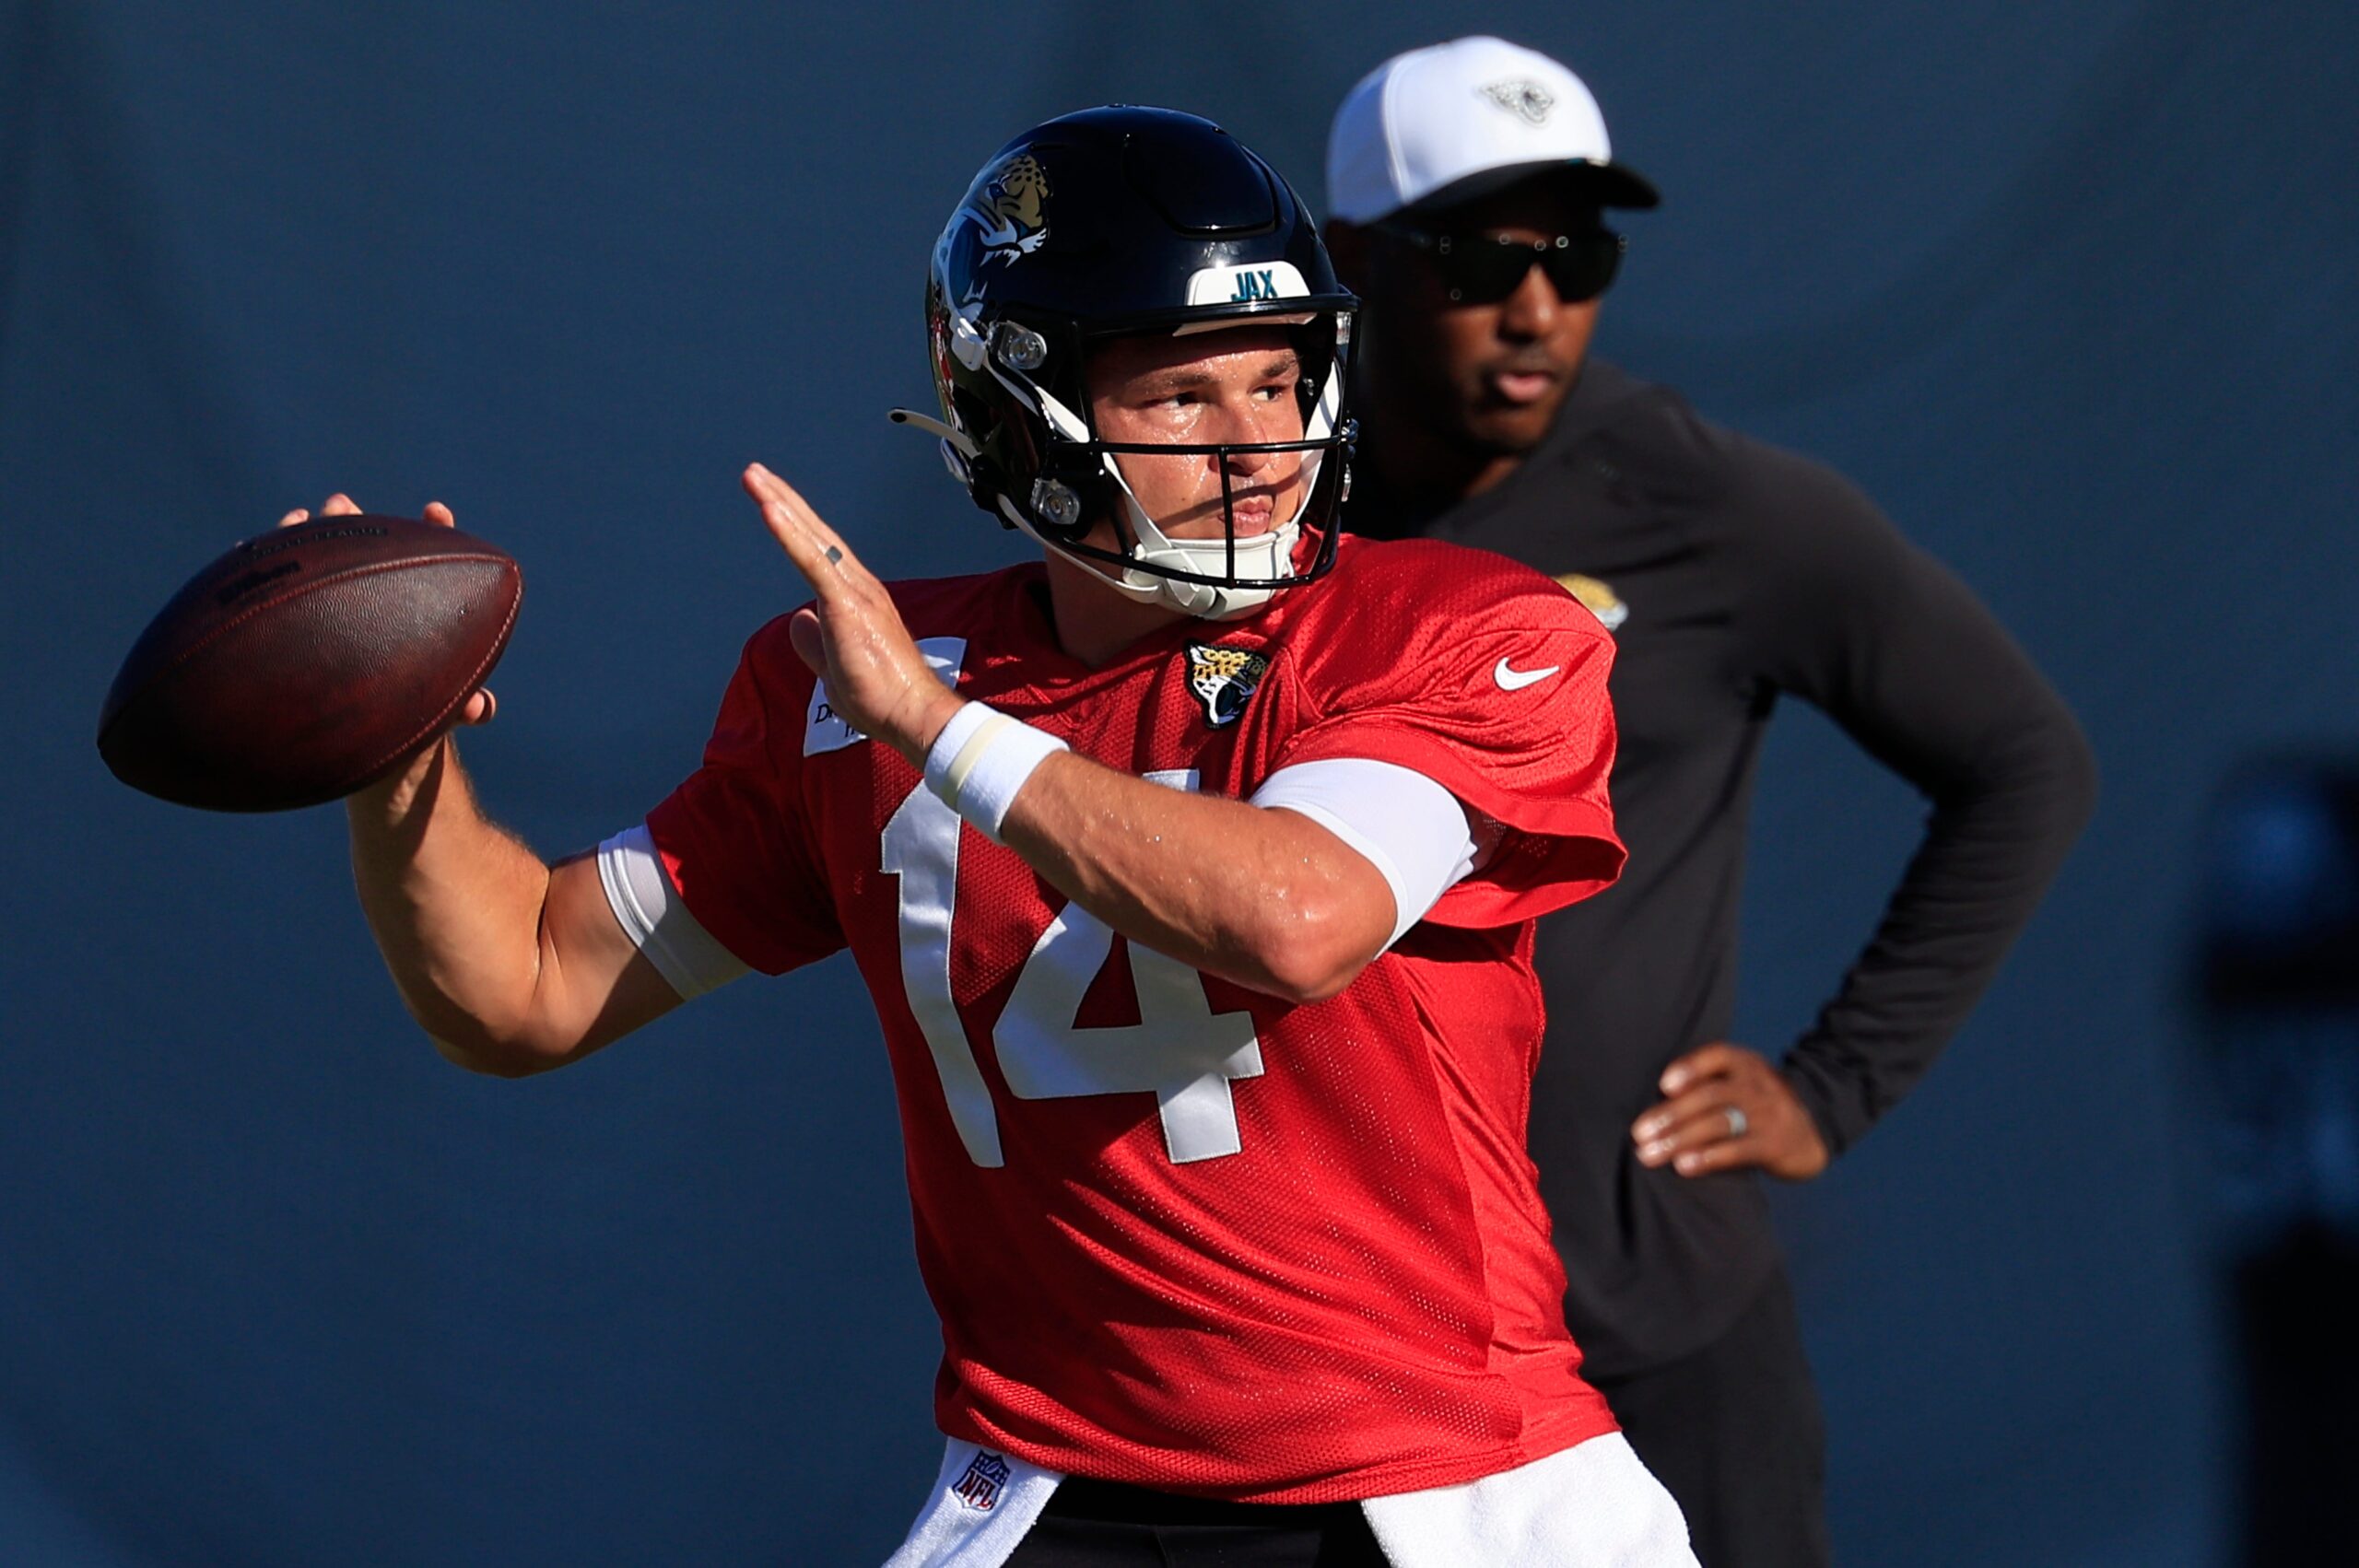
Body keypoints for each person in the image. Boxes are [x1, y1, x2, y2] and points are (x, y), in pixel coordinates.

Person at [288, 108, 1697, 1567]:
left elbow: (1299, 914)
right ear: (1020, 419)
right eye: (1186, 400)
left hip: (1444, 1492)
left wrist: (939, 732)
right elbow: (520, 987)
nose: (1260, 449)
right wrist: (395, 764)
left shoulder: (1459, 629)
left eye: (1282, 380)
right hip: (1045, 1487)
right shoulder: (864, 683)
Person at [1321, 37, 2099, 1568]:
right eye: (1481, 254)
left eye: (1579, 252)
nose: (1538, 304)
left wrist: (1835, 1082)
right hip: (1344, 1333)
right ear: (1353, 258)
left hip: (1645, 1319)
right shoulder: (1265, 498)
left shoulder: (1697, 503)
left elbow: (2029, 760)